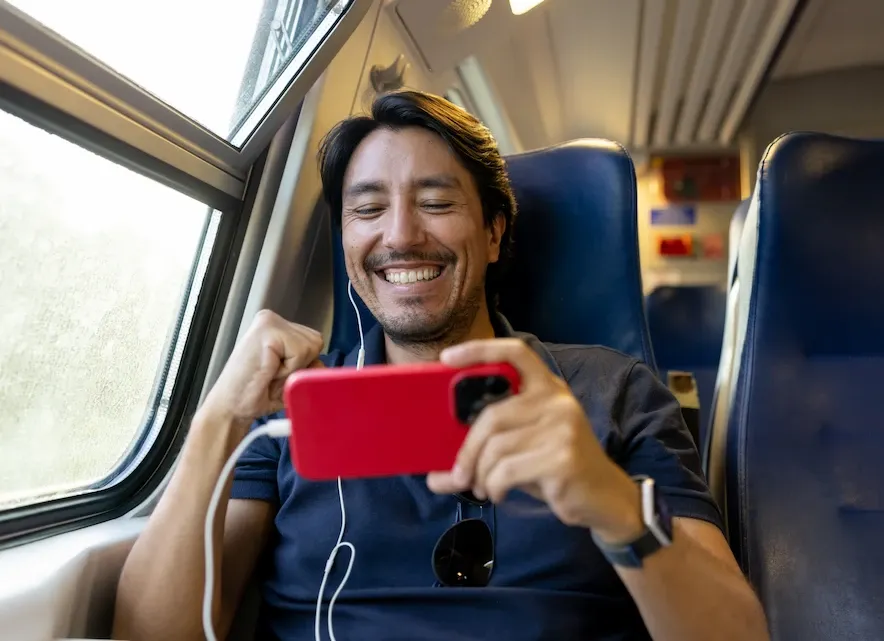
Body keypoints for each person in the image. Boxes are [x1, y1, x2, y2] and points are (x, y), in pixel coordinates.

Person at [113, 89, 769, 641]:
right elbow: (149, 633)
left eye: (435, 202)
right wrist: (219, 415)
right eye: (368, 208)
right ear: (345, 243)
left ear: (492, 233)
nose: (399, 235)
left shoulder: (616, 391)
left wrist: (614, 506)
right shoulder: (286, 412)